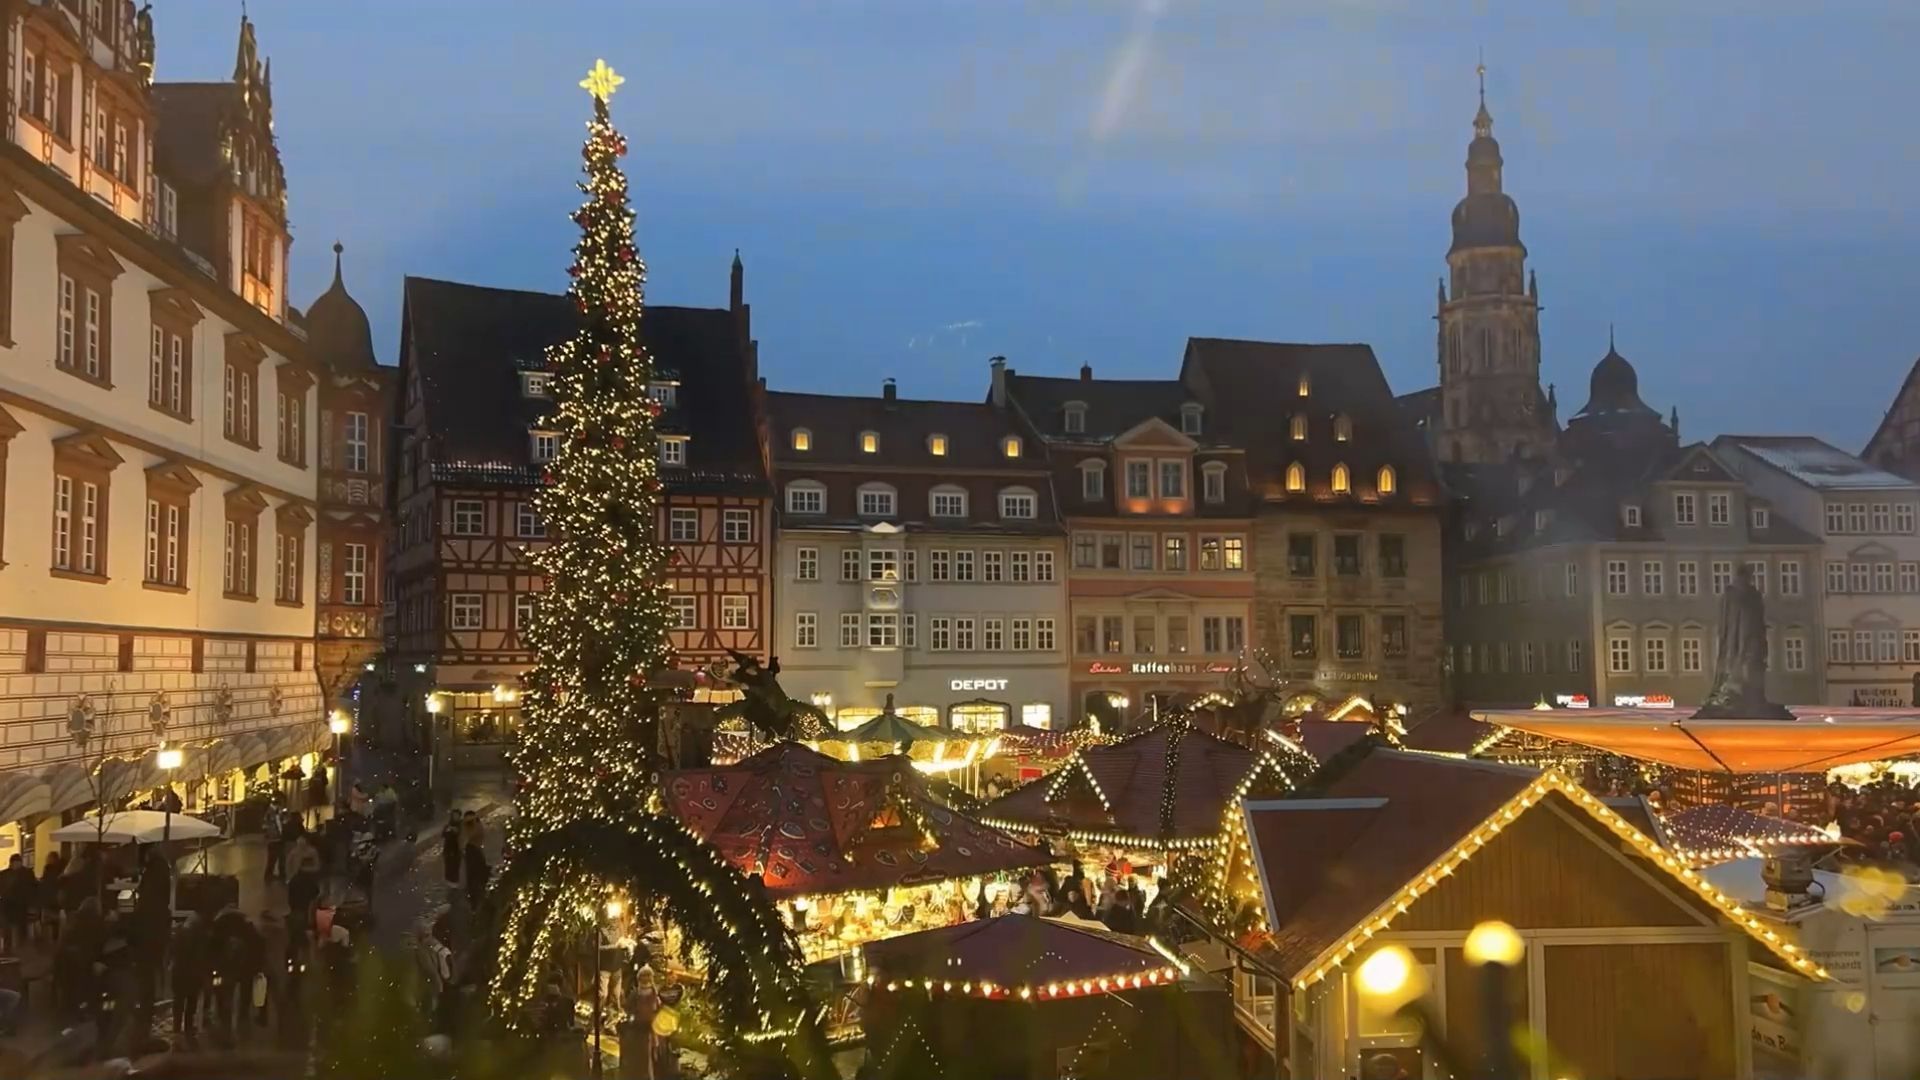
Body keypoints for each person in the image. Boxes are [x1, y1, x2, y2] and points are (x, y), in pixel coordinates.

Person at [171, 911, 211, 1041]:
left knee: (180, 1001)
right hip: (191, 973)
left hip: (180, 972)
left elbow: (173, 953)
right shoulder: (200, 936)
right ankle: (187, 1029)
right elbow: (202, 956)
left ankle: (177, 1028)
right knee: (190, 1002)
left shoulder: (180, 933)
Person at [0, 855, 31, 955]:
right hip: (8, 904)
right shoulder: (4, 874)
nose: (17, 865)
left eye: (19, 862)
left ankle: (16, 949)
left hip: (19, 904)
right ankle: (8, 948)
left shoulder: (27, 873)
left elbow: (32, 888)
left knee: (18, 927)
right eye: (16, 862)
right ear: (11, 863)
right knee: (8, 927)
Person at [263, 803, 287, 883]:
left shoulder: (278, 812)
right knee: (273, 858)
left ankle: (279, 874)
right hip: (274, 839)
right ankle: (269, 875)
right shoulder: (271, 812)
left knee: (280, 857)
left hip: (278, 838)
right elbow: (267, 825)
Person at [441, 811, 464, 890]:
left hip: (456, 850)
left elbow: (462, 835)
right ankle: (448, 881)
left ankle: (454, 882)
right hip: (448, 849)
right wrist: (448, 830)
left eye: (457, 815)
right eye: (454, 815)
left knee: (455, 866)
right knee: (448, 865)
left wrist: (455, 831)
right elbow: (443, 834)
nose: (455, 817)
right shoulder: (448, 825)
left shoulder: (461, 825)